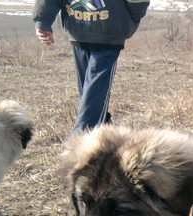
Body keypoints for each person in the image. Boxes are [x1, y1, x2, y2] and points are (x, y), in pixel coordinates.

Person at [33, 0, 150, 131]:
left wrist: (43, 20)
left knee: (91, 91)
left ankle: (89, 132)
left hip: (82, 26)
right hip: (108, 27)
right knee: (92, 91)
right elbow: (137, 4)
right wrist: (131, 16)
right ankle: (86, 135)